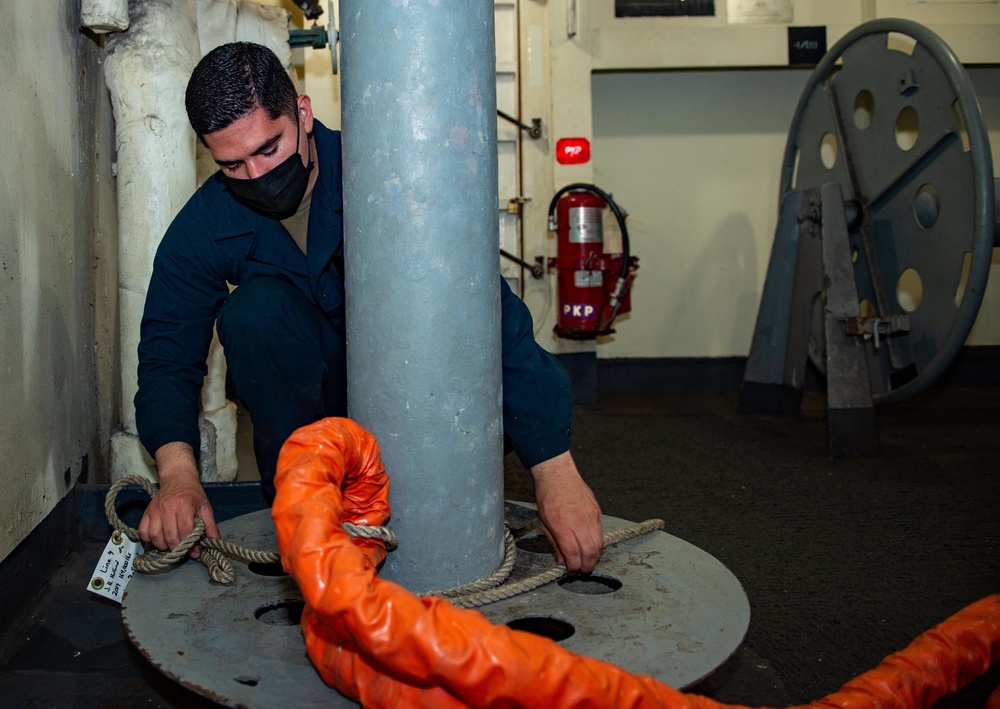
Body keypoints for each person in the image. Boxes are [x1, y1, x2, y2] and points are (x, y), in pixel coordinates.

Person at [134, 42, 603, 573]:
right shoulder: (204, 224)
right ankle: (304, 505)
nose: (256, 175)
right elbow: (168, 356)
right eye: (233, 164)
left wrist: (555, 472)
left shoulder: (389, 176)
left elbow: (488, 318)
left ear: (303, 115)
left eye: (269, 149)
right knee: (254, 313)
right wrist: (177, 476)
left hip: (425, 404)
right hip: (315, 425)